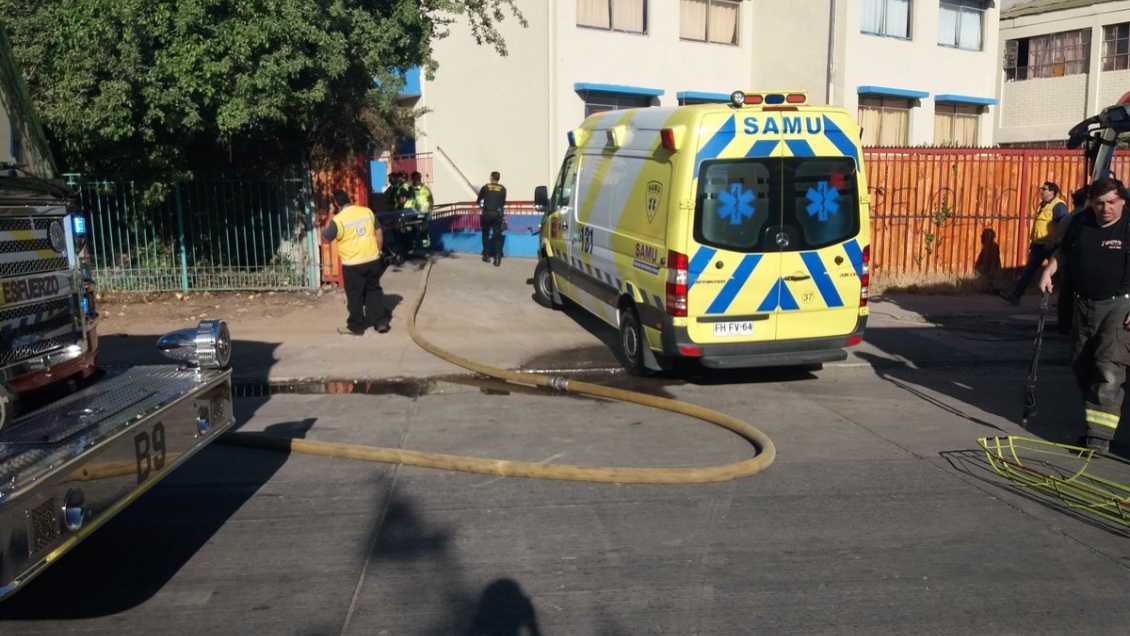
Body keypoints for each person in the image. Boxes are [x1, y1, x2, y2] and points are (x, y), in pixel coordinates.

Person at [1037, 177, 1130, 453]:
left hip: (1119, 306)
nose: (1106, 209)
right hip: (1082, 305)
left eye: (1112, 202)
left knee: (1108, 369)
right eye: (1100, 203)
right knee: (1082, 365)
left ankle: (1098, 439)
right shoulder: (1080, 223)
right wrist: (1048, 270)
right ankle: (1096, 422)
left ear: (1122, 200)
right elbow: (1064, 253)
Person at [322, 189, 390, 336]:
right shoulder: (366, 212)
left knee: (355, 295)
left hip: (353, 264)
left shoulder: (338, 220)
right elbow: (379, 232)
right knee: (373, 290)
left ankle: (356, 326)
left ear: (335, 204)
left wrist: (330, 216)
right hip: (372, 259)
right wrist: (379, 250)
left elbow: (326, 239)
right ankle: (380, 322)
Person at [1001, 181, 1068, 304]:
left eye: (1044, 189)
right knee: (1029, 271)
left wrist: (1054, 242)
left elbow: (1062, 226)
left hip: (1051, 245)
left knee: (1059, 273)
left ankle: (1065, 300)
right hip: (1039, 245)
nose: (1041, 191)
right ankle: (1016, 296)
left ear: (1052, 192)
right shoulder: (1041, 205)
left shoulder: (1058, 206)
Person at [1054, 187, 1090, 335]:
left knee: (1066, 295)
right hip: (1079, 262)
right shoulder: (1085, 219)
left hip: (1068, 261)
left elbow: (1059, 238)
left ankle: (1064, 326)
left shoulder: (1069, 218)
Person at [478, 171, 507, 266]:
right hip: (497, 214)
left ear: (491, 177)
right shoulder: (503, 189)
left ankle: (486, 255)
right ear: (498, 178)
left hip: (487, 213)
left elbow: (479, 199)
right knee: (497, 236)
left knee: (485, 234)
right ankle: (497, 258)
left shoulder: (486, 187)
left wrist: (481, 203)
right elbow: (502, 202)